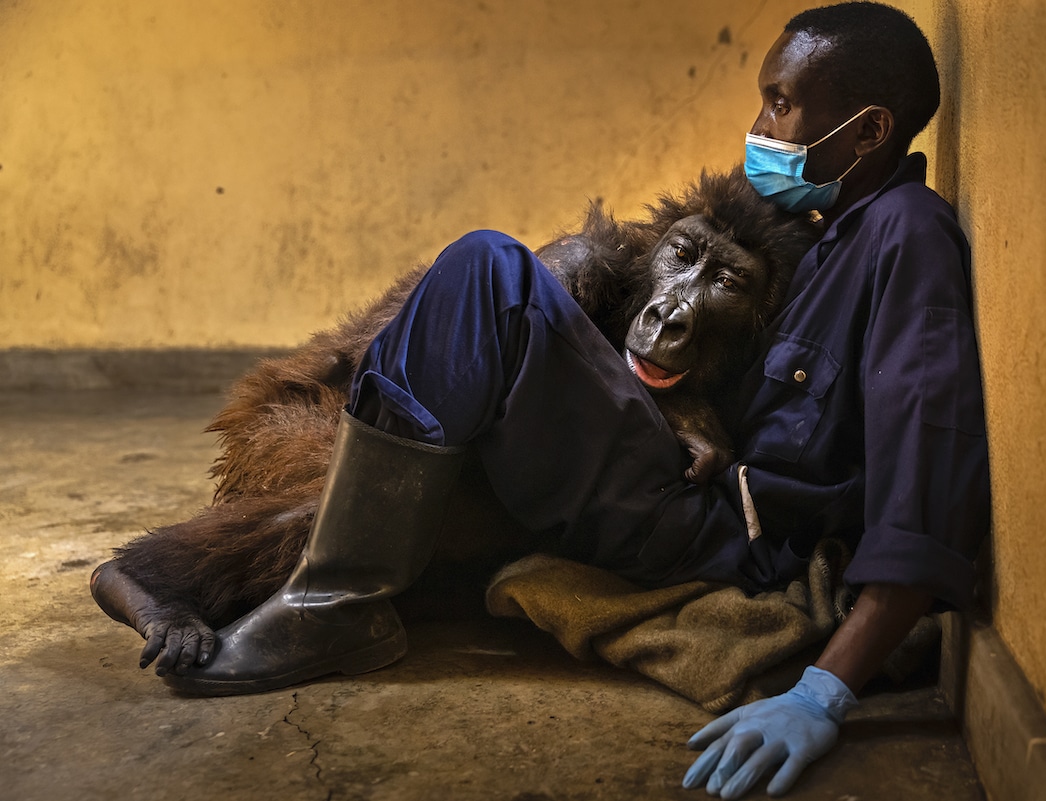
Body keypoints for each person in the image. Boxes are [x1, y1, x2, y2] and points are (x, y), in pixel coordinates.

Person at [162, 3, 990, 798]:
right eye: (763, 102)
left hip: (718, 532)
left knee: (489, 272)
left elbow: (925, 477)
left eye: (781, 105)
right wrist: (680, 411)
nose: (761, 131)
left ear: (872, 130)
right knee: (499, 280)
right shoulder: (811, 228)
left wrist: (824, 692)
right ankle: (331, 577)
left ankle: (335, 601)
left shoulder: (905, 235)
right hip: (675, 476)